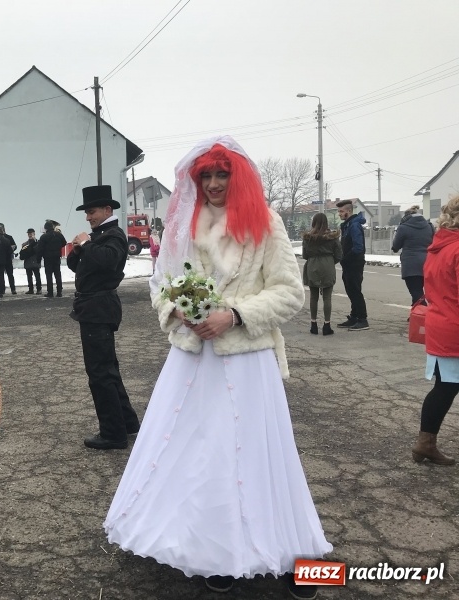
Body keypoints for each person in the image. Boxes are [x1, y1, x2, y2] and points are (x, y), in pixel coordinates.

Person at [104, 137, 331, 600]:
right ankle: (215, 553)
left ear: (237, 176)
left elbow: (290, 292)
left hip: (247, 361)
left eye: (221, 174)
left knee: (260, 455)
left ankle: (297, 555)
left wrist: (236, 315)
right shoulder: (184, 224)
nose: (212, 183)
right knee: (203, 455)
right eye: (205, 175)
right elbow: (161, 284)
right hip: (193, 359)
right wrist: (179, 309)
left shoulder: (265, 222)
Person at [67, 185, 140, 450]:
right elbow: (78, 266)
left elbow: (109, 260)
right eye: (87, 213)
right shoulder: (100, 235)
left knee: (100, 373)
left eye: (92, 212)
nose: (88, 217)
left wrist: (87, 244)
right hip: (93, 307)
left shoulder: (114, 235)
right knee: (107, 368)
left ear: (107, 210)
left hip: (99, 307)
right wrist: (78, 250)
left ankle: (113, 433)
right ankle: (127, 423)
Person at [411, 195, 459, 466]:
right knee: (446, 388)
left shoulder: (438, 248)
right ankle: (425, 444)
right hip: (454, 326)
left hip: (440, 323)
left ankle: (426, 443)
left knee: (445, 387)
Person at [302, 212, 342, 335]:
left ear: (313, 222)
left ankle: (313, 325)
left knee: (313, 297)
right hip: (328, 265)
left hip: (312, 265)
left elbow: (305, 255)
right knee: (327, 297)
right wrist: (330, 261)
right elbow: (339, 255)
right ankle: (327, 325)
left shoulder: (308, 238)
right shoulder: (332, 237)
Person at [336, 199, 369, 331]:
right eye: (339, 211)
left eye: (341, 211)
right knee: (350, 290)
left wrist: (345, 259)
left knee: (355, 291)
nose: (339, 214)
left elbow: (358, 247)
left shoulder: (354, 226)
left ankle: (362, 319)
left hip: (354, 263)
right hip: (348, 264)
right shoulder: (347, 225)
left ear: (349, 211)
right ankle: (354, 316)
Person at [392, 204, 434, 305]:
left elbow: (395, 247)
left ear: (406, 216)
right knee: (422, 293)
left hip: (411, 264)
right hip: (428, 262)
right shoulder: (429, 226)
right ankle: (416, 312)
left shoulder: (403, 227)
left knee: (416, 292)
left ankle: (423, 312)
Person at [36, 220, 66, 298]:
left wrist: (38, 259)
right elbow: (64, 243)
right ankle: (59, 292)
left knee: (49, 275)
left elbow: (40, 249)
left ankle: (50, 292)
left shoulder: (44, 237)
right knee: (58, 274)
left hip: (48, 258)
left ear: (45, 228)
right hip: (57, 257)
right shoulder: (58, 234)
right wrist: (58, 247)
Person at [20, 228, 42, 294]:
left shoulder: (38, 242)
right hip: (28, 262)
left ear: (34, 234)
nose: (30, 235)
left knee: (37, 276)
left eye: (31, 234)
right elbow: (22, 254)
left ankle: (39, 289)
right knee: (29, 277)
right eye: (29, 234)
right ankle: (31, 289)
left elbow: (39, 251)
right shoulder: (25, 244)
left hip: (35, 262)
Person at [0, 223, 17, 295]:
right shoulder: (7, 239)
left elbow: (15, 245)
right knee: (8, 274)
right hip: (7, 258)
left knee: (4, 275)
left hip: (0, 259)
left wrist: (13, 247)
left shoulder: (8, 237)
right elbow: (11, 249)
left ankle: (5, 290)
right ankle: (11, 289)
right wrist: (11, 249)